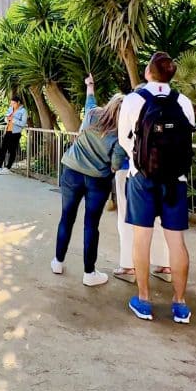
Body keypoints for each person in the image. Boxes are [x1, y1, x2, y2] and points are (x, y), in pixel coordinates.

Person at [118, 51, 195, 323]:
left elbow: (125, 140)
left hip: (142, 178)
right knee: (176, 241)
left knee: (142, 237)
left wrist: (141, 161)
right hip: (176, 180)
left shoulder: (133, 100)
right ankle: (180, 303)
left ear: (149, 72)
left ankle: (144, 299)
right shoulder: (183, 102)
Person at [51, 74, 126, 286]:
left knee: (67, 217)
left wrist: (90, 85)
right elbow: (115, 164)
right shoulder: (120, 134)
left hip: (72, 172)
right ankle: (89, 273)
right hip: (97, 181)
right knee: (91, 225)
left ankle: (58, 261)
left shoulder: (92, 115)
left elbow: (90, 101)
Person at [112, 156, 171, 283]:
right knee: (158, 216)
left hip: (130, 169)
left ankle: (128, 266)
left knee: (127, 216)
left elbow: (122, 143)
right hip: (160, 168)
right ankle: (164, 264)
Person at [0, 95, 27, 174]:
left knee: (12, 150)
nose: (12, 105)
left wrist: (13, 120)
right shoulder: (10, 109)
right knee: (3, 149)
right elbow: (6, 117)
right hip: (8, 131)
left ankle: (8, 167)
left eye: (13, 103)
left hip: (16, 133)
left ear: (18, 102)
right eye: (11, 103)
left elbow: (23, 123)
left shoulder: (23, 111)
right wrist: (7, 119)